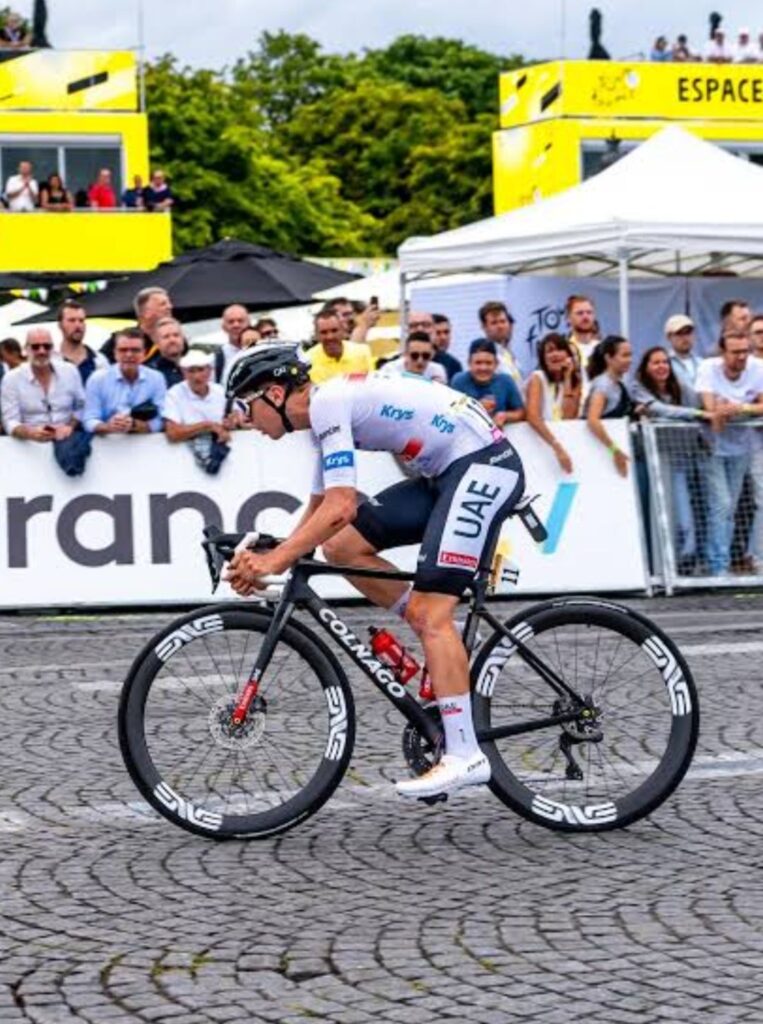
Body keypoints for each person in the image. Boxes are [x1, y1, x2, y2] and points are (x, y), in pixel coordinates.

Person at [224, 346, 526, 799]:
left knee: (432, 615)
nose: (246, 419)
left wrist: (277, 560)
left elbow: (342, 506)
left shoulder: (327, 405)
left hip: (483, 465)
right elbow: (323, 508)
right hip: (448, 471)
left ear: (275, 394)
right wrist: (278, 551)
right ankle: (442, 642)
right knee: (341, 547)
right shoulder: (323, 414)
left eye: (246, 406)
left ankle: (466, 754)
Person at [633, 347, 718, 573]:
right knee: (679, 518)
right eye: (656, 362)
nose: (662, 367)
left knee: (702, 512)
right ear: (645, 367)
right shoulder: (637, 388)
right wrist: (698, 414)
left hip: (689, 458)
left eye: (665, 362)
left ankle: (692, 564)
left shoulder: (681, 387)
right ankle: (676, 565)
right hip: (657, 461)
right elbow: (661, 410)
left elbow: (702, 402)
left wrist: (718, 408)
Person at [696, 331, 763, 575]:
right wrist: (723, 410)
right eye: (735, 352)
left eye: (745, 351)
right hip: (712, 447)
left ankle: (721, 561)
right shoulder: (708, 368)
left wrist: (740, 407)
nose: (742, 357)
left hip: (741, 447)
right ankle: (718, 566)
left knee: (730, 508)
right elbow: (711, 411)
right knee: (721, 505)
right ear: (722, 352)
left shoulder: (758, 368)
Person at [1, 329, 84, 441]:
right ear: (26, 349)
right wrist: (30, 432)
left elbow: (82, 406)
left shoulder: (70, 371)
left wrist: (70, 427)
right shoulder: (11, 379)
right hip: (29, 445)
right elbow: (10, 421)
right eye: (35, 347)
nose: (42, 351)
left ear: (53, 349)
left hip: (67, 441)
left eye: (47, 346)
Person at [84, 328, 167, 435]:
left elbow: (162, 418)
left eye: (135, 350)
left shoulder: (157, 378)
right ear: (115, 353)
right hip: (108, 441)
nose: (129, 355)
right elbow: (89, 419)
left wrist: (137, 425)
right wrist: (108, 427)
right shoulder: (97, 379)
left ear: (144, 353)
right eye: (123, 350)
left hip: (144, 441)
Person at [164, 350, 235, 472]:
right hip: (182, 463)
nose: (196, 376)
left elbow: (238, 418)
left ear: (210, 371)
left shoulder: (220, 391)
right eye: (191, 371)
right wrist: (208, 426)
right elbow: (172, 433)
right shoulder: (174, 394)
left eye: (201, 370)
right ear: (183, 372)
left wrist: (234, 421)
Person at [525, 334, 582, 473]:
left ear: (568, 355)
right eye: (550, 351)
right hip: (538, 443)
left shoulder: (575, 382)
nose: (555, 354)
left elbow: (568, 417)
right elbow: (533, 417)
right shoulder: (537, 378)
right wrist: (556, 446)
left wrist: (568, 377)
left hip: (565, 444)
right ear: (543, 358)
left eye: (560, 350)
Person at [584, 336, 633, 477]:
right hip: (600, 455)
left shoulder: (619, 385)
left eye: (630, 355)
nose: (629, 360)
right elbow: (592, 420)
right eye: (624, 355)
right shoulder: (603, 385)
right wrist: (614, 450)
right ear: (609, 358)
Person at [451, 340, 525, 427]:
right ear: (469, 363)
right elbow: (451, 412)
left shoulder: (506, 381)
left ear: (496, 364)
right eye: (478, 363)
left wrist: (505, 416)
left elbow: (521, 412)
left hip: (499, 431)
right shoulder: (459, 381)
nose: (483, 368)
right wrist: (476, 409)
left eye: (488, 363)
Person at [101, 286, 173, 363]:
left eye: (169, 303)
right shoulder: (120, 340)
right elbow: (100, 364)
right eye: (163, 304)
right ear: (146, 312)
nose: (170, 307)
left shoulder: (174, 339)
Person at [304, 312, 375, 384]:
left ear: (343, 330)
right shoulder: (307, 361)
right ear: (316, 335)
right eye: (324, 332)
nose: (330, 337)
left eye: (334, 330)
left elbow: (372, 384)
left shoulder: (362, 352)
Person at [58, 299, 107, 385]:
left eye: (81, 320)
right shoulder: (52, 360)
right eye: (72, 320)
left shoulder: (99, 361)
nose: (78, 325)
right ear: (60, 325)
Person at [472, 301, 521, 384]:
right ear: (484, 327)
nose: (500, 326)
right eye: (494, 323)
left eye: (503, 321)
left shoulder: (508, 353)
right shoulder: (483, 356)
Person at [379, 332, 447, 383]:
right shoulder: (390, 370)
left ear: (431, 355)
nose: (420, 360)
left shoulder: (437, 371)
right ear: (405, 354)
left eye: (425, 356)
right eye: (415, 355)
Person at [566, 294, 601, 381]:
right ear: (568, 318)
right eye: (580, 313)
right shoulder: (565, 350)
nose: (585, 317)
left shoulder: (603, 348)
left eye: (589, 312)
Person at [144, 316, 186, 388]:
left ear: (183, 339)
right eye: (166, 337)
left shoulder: (195, 365)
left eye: (176, 335)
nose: (172, 340)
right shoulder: (150, 373)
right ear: (157, 343)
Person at [214, 304, 251, 383]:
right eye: (231, 322)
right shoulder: (216, 359)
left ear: (249, 324)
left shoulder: (261, 350)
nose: (236, 325)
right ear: (223, 327)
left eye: (240, 321)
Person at [664, 314, 702, 389]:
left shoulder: (702, 363)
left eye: (688, 333)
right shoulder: (664, 363)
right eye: (679, 333)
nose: (685, 338)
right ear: (669, 337)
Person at [431, 314, 462, 382]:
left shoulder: (453, 364)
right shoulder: (419, 359)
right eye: (438, 333)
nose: (443, 337)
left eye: (446, 332)